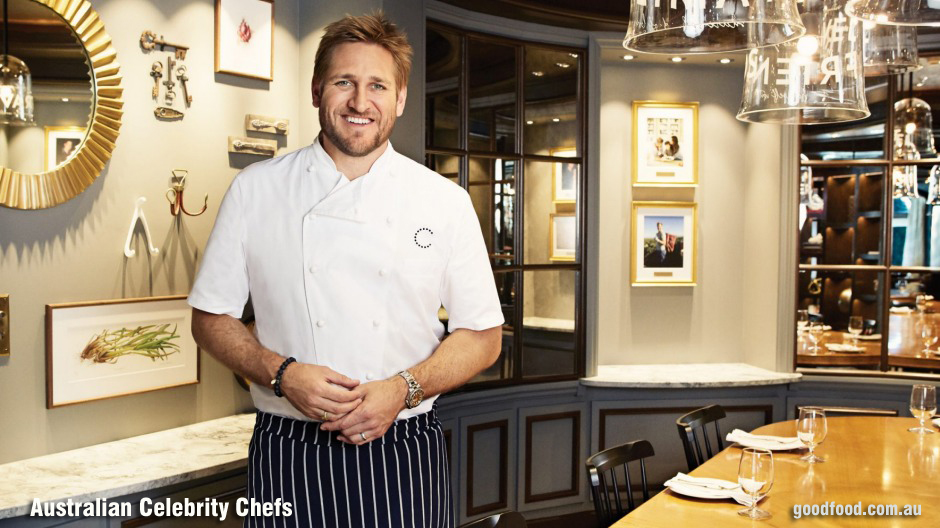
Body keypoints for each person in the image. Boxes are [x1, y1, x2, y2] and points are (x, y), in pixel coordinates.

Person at [188, 12, 503, 527]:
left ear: (400, 99)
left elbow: (484, 337)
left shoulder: (443, 201)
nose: (360, 102)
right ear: (317, 90)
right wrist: (282, 373)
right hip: (289, 448)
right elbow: (209, 320)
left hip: (403, 449)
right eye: (344, 82)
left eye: (378, 85)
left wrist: (403, 389)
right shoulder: (255, 190)